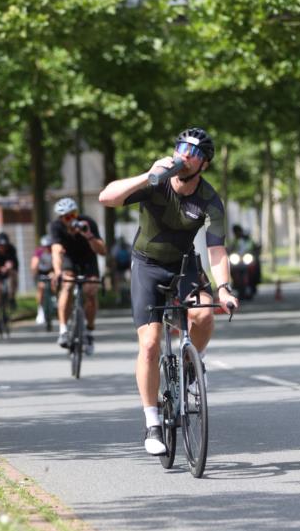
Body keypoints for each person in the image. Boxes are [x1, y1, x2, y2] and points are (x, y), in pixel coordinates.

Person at [99, 127, 239, 456]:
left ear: (204, 164)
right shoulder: (156, 182)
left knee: (203, 314)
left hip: (184, 265)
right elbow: (108, 198)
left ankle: (194, 365)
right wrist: (148, 175)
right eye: (182, 148)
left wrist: (224, 288)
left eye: (195, 153)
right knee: (149, 345)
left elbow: (216, 249)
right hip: (146, 266)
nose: (186, 156)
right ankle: (151, 422)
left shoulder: (209, 199)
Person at [50, 197, 106, 354]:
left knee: (91, 291)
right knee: (67, 286)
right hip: (69, 260)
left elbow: (102, 251)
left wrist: (88, 236)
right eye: (67, 217)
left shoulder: (87, 223)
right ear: (61, 219)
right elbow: (56, 251)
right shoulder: (56, 227)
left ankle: (89, 331)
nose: (72, 219)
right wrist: (58, 272)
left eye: (74, 214)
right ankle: (63, 330)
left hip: (88, 259)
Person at [0, 231, 19, 326]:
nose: (2, 248)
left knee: (13, 275)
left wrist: (6, 267)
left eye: (4, 246)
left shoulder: (11, 249)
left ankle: (12, 297)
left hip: (8, 270)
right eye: (0, 246)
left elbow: (11, 262)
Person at [31, 233, 54, 325]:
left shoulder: (54, 251)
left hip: (51, 271)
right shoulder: (39, 252)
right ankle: (40, 310)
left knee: (54, 284)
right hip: (41, 272)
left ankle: (54, 299)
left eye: (49, 246)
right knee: (41, 288)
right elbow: (34, 265)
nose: (47, 248)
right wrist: (35, 275)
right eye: (45, 246)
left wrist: (54, 273)